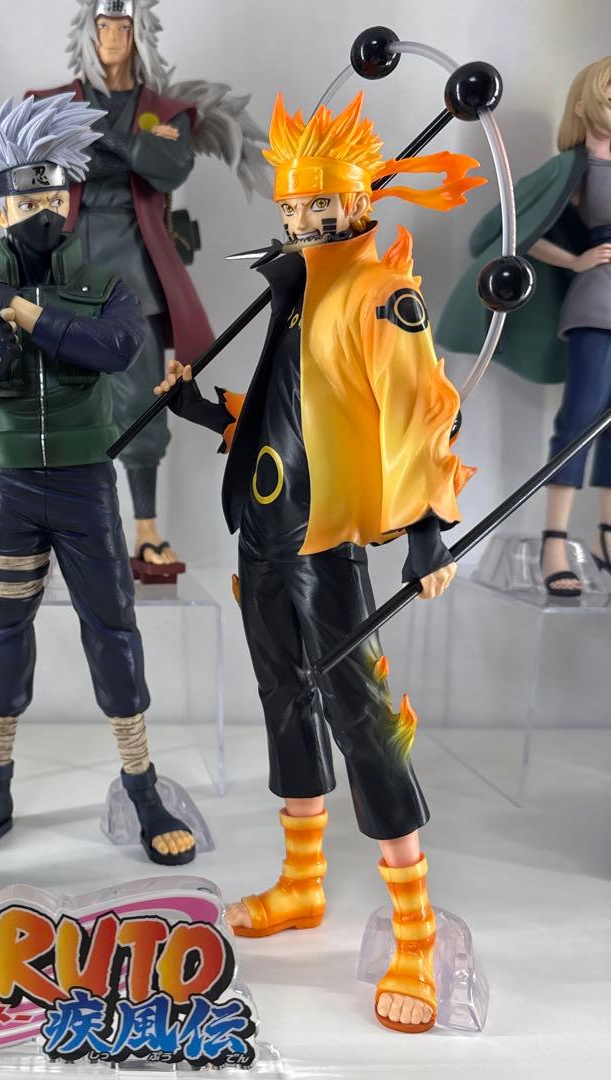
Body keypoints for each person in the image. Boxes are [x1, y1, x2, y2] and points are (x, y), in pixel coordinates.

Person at [156, 93, 482, 1033]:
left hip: (327, 541)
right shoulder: (299, 290)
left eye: (318, 206)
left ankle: (414, 929)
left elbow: (418, 411)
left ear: (358, 201)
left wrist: (427, 529)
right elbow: (286, 414)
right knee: (283, 701)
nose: (301, 221)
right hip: (263, 536)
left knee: (362, 718)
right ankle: (302, 880)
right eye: (292, 207)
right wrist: (208, 411)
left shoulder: (377, 293)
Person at [0, 93, 196, 867]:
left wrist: (24, 313)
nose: (41, 211)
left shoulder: (105, 288)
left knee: (113, 631)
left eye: (53, 196)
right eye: (25, 199)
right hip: (10, 490)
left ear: (69, 200)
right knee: (2, 637)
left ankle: (142, 784)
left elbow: (116, 349)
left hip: (84, 486)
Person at [27, 0, 269, 576]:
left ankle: (144, 528)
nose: (113, 37)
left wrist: (112, 147)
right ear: (88, 32)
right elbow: (45, 166)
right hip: (66, 266)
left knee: (141, 400)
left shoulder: (166, 112)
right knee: (52, 396)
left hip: (134, 269)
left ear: (139, 34)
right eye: (104, 25)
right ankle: (47, 523)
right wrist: (129, 150)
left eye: (123, 26)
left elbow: (168, 166)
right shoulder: (49, 105)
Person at [438, 56, 611, 598]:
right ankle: (553, 542)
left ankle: (606, 535)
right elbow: (512, 228)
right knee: (580, 419)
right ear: (585, 103)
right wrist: (576, 261)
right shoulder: (574, 169)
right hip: (597, 302)